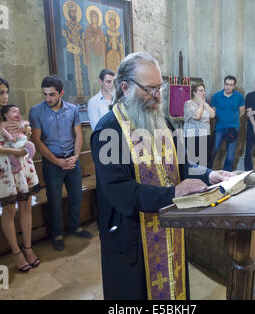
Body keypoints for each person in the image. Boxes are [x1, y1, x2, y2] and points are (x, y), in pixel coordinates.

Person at [91, 52, 235, 300]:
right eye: (149, 89)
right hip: (133, 235)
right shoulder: (108, 130)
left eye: (160, 88)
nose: (157, 96)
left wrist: (209, 174)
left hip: (170, 228)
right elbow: (118, 190)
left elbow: (182, 165)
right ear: (125, 88)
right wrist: (173, 193)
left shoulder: (162, 122)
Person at [0, 76, 40, 272]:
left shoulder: (9, 110)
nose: (5, 96)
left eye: (6, 92)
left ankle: (28, 248)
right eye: (0, 93)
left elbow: (23, 131)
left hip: (21, 162)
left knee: (27, 205)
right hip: (1, 165)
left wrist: (26, 132)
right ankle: (16, 252)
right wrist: (13, 150)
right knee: (10, 210)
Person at [29, 75, 92, 252]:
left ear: (61, 93)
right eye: (45, 94)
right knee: (54, 201)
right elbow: (36, 140)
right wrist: (57, 161)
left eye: (52, 94)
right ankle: (56, 234)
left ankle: (74, 226)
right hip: (52, 162)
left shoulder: (72, 109)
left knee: (76, 197)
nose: (48, 98)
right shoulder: (36, 111)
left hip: (72, 159)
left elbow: (78, 134)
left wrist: (76, 156)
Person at [211, 76, 245, 171]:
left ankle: (226, 175)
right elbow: (213, 111)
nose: (228, 87)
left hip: (233, 128)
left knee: (230, 154)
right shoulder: (216, 96)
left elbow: (242, 111)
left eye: (231, 85)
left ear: (234, 86)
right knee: (214, 151)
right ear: (224, 84)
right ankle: (209, 174)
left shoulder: (239, 96)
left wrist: (233, 119)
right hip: (219, 128)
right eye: (226, 84)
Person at [183, 82, 215, 168]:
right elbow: (197, 116)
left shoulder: (205, 103)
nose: (203, 93)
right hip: (192, 136)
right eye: (200, 91)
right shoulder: (188, 104)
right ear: (194, 92)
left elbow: (212, 115)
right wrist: (201, 105)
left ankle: (206, 180)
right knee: (194, 163)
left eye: (204, 90)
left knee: (206, 161)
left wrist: (205, 105)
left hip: (205, 135)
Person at [0, 105, 36, 173]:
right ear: (6, 115)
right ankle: (17, 165)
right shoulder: (4, 123)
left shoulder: (20, 122)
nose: (18, 114)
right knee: (10, 154)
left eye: (19, 112)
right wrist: (9, 136)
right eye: (14, 112)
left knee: (31, 145)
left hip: (22, 141)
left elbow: (28, 122)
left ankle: (30, 158)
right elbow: (2, 130)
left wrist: (23, 123)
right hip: (12, 142)